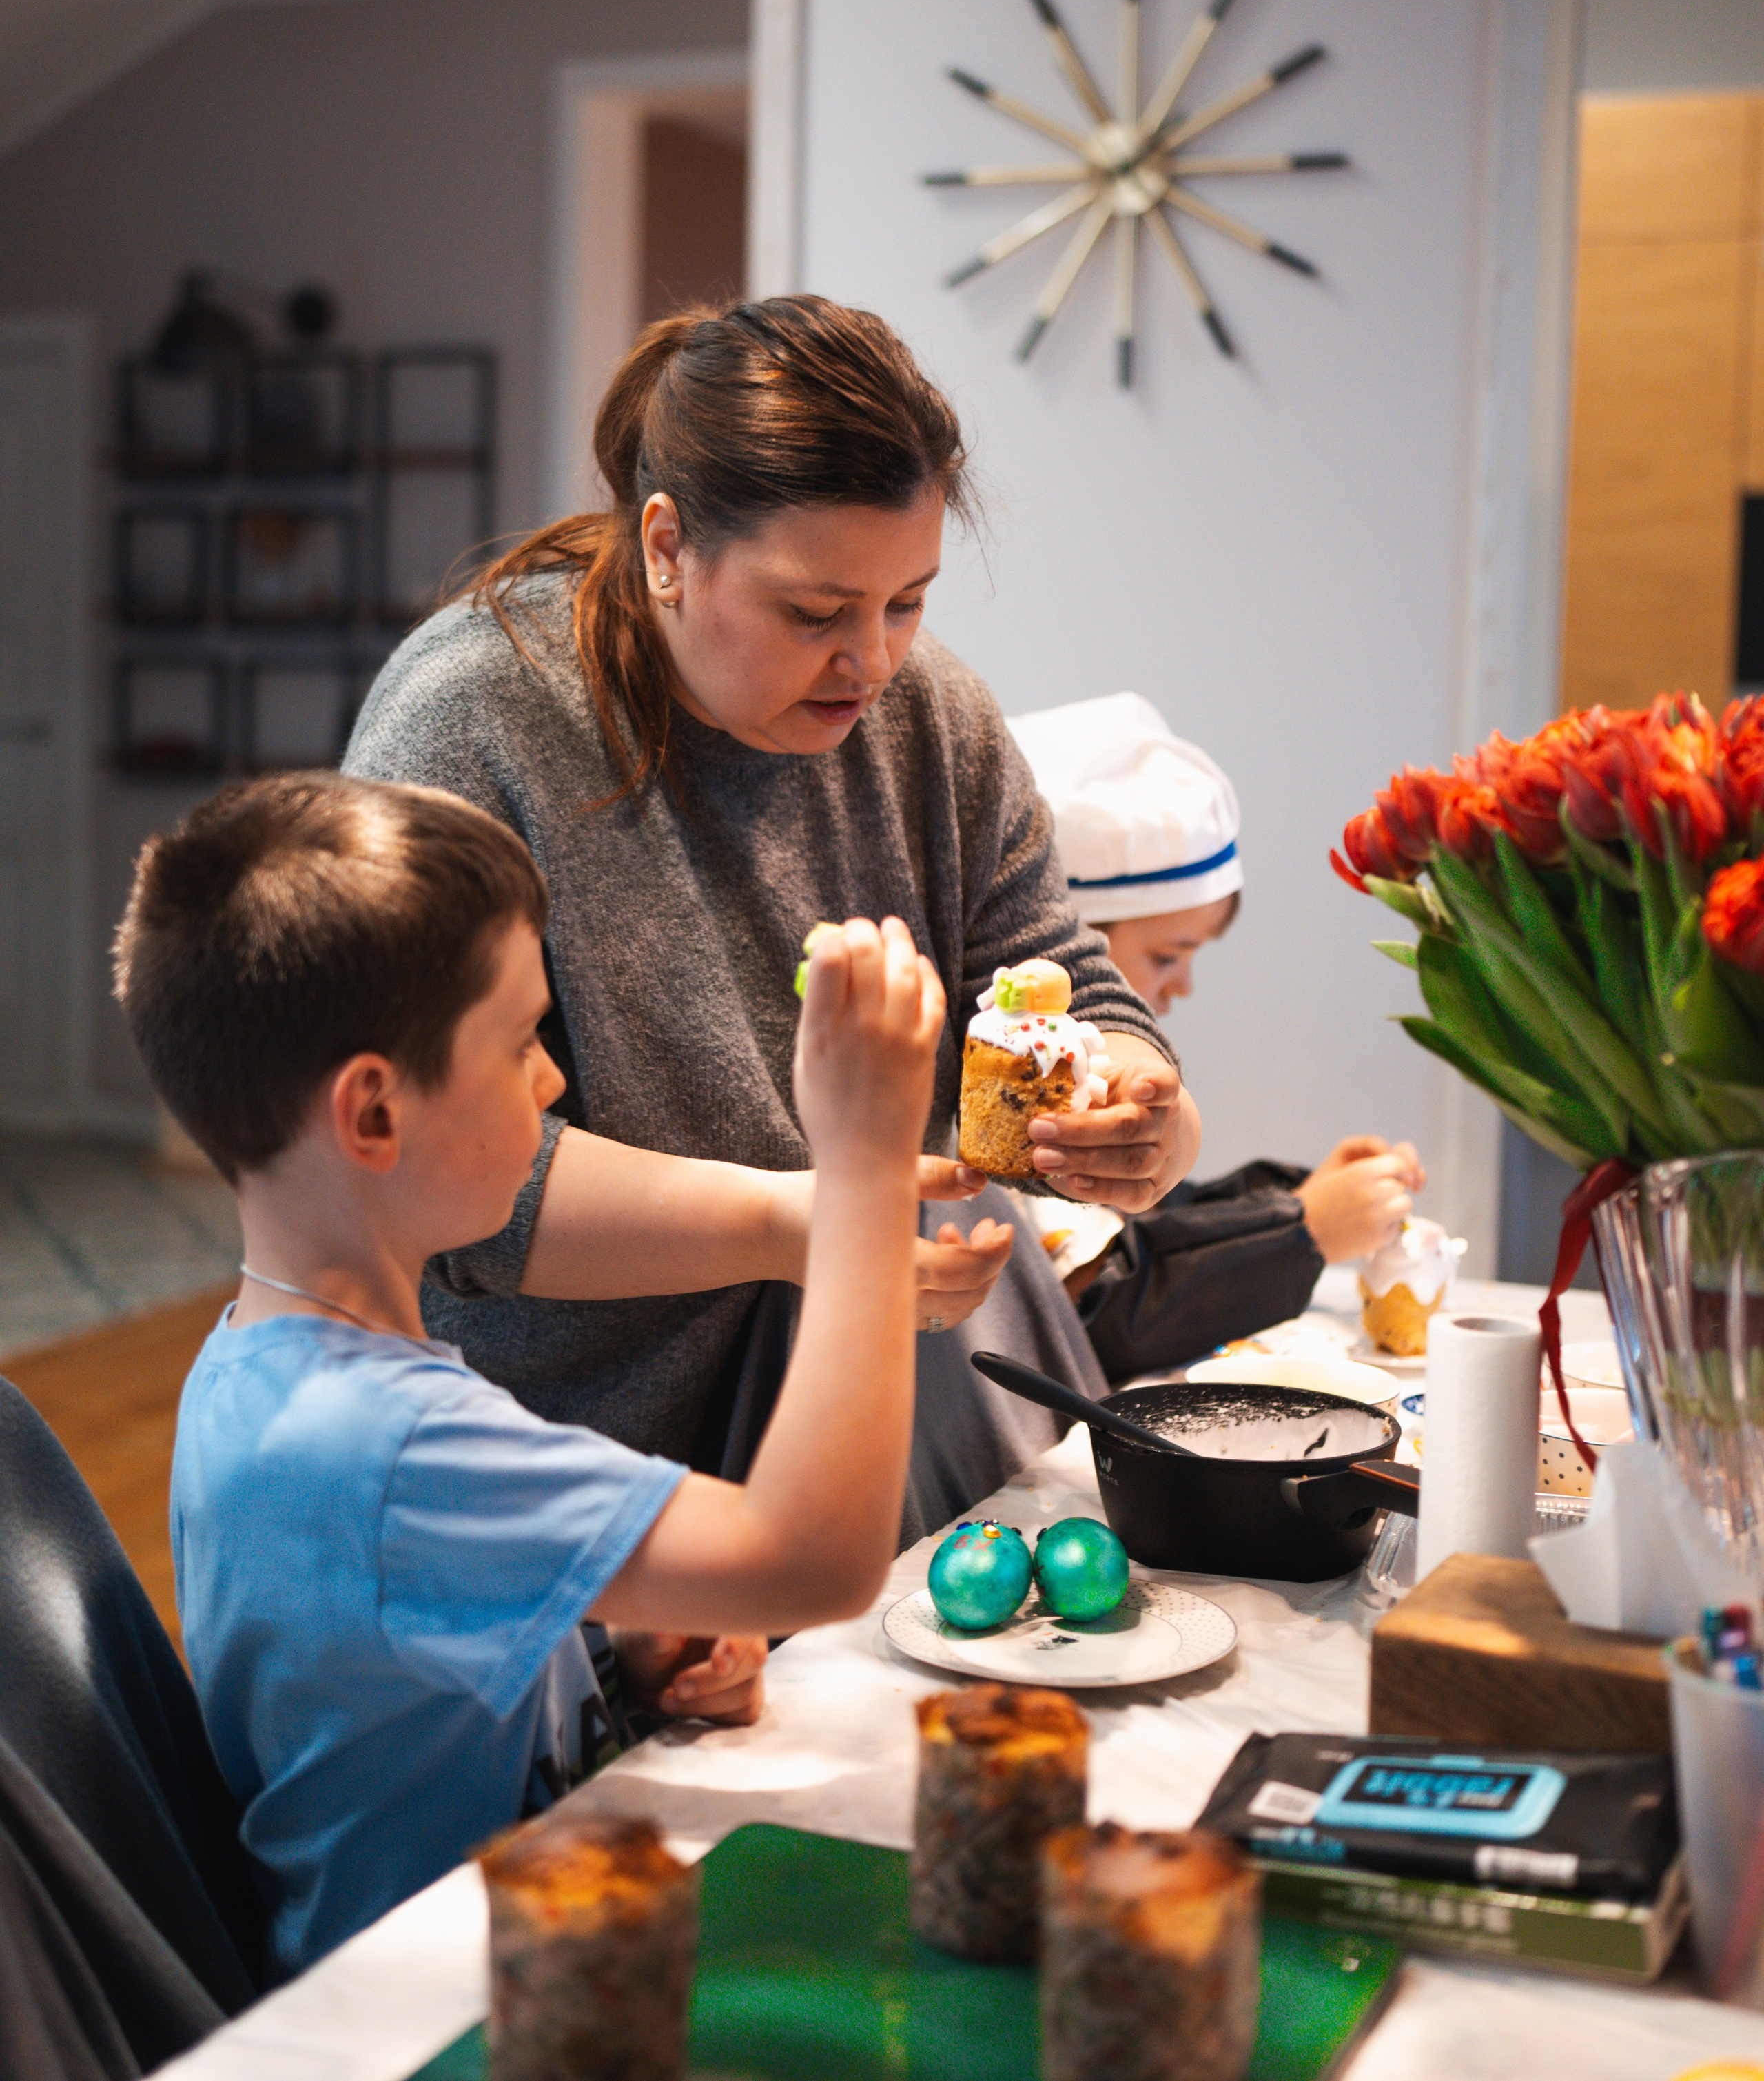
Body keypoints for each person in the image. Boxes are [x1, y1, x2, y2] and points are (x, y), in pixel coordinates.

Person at [345, 298, 1200, 1537]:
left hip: (892, 1407)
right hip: (576, 1475)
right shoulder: (471, 721)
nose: (874, 662)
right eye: (816, 614)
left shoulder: (932, 719)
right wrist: (823, 1228)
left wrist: (1133, 1101)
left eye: (908, 601)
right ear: (666, 546)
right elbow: (442, 1176)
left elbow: (1073, 985)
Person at [115, 772, 949, 1974]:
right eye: (520, 1046)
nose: (552, 1080)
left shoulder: (265, 1367)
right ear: (374, 1113)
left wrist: (608, 1656)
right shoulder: (382, 1441)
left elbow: (401, 1668)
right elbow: (813, 1557)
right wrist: (865, 1165)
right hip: (449, 2013)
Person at [1005, 693, 1424, 1382]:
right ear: (1071, 946)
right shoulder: (1011, 1088)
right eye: (1167, 955)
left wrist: (1295, 1195)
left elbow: (1141, 1218)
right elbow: (1097, 1305)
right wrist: (1302, 1230)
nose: (1181, 987)